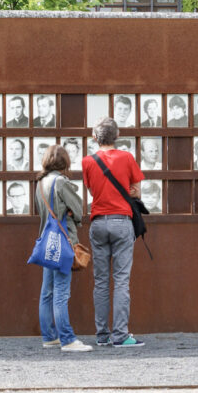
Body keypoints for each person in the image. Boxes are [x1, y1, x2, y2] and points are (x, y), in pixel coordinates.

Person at [82, 117, 145, 348]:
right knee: (121, 281)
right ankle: (120, 335)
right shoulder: (127, 158)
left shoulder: (88, 161)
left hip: (98, 222)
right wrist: (125, 191)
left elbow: (92, 190)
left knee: (100, 282)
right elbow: (136, 192)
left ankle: (102, 336)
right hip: (121, 221)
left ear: (95, 138)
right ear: (117, 136)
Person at [34, 144, 90, 352]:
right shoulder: (61, 182)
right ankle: (67, 339)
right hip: (64, 242)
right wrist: (70, 213)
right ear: (65, 162)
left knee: (46, 292)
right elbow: (77, 210)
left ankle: (49, 336)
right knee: (61, 292)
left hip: (47, 242)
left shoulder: (40, 183)